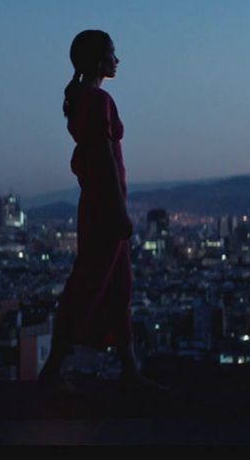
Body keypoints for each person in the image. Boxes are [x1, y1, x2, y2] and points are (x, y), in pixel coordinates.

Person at [37, 29, 162, 391]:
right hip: (105, 208)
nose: (116, 59)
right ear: (97, 60)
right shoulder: (98, 101)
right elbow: (104, 157)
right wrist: (119, 210)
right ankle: (55, 370)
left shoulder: (84, 101)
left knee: (117, 285)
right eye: (111, 53)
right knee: (91, 284)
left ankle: (128, 370)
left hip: (96, 205)